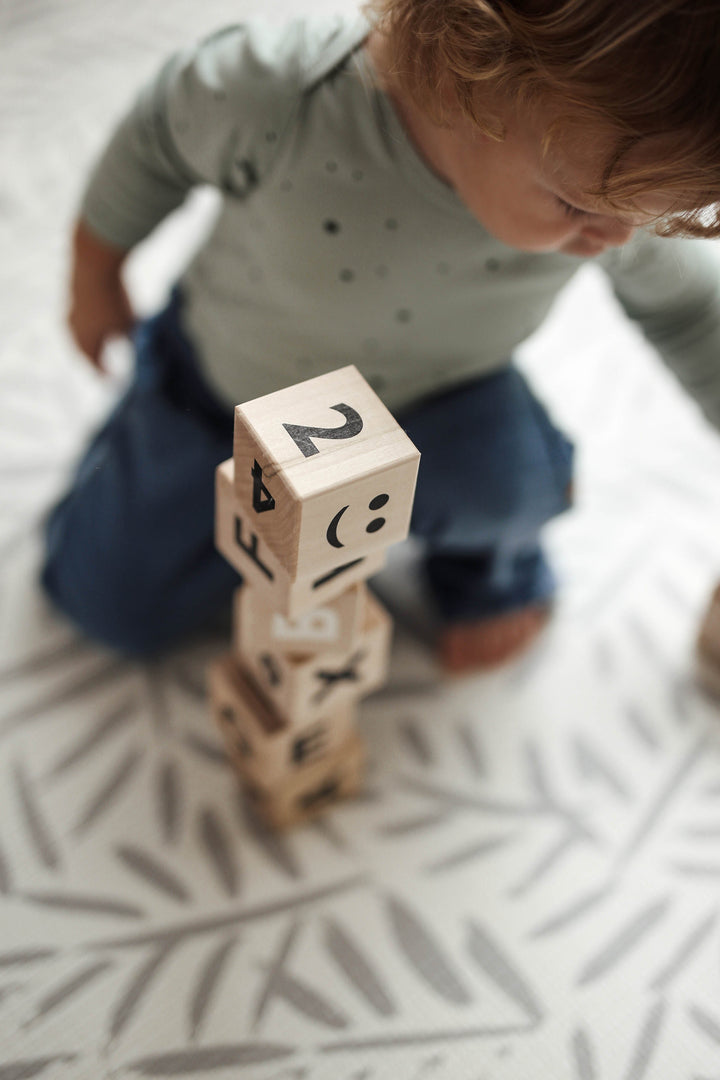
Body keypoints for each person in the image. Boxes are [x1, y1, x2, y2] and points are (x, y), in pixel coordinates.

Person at [42, 0, 720, 671]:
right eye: (575, 206)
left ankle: (489, 570)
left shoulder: (616, 193)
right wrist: (94, 275)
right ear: (463, 77)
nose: (619, 238)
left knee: (513, 487)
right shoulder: (280, 95)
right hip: (225, 397)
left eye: (650, 217)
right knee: (109, 606)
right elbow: (157, 136)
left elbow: (689, 312)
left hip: (434, 403)